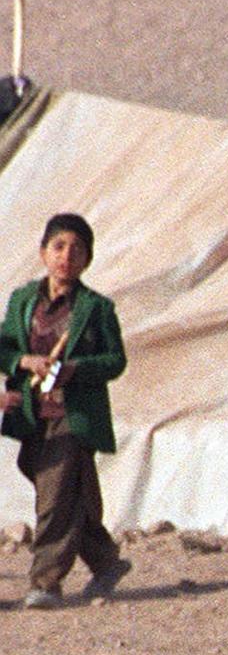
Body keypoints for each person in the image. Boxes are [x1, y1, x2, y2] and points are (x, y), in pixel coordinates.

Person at [1, 214, 130, 609]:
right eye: (59, 247)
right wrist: (25, 362)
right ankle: (106, 560)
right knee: (68, 491)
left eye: (77, 249)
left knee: (55, 498)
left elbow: (115, 361)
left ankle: (46, 582)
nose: (66, 256)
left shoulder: (96, 309)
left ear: (87, 259)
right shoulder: (23, 301)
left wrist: (74, 370)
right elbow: (4, 348)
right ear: (43, 252)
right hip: (30, 413)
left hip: (73, 415)